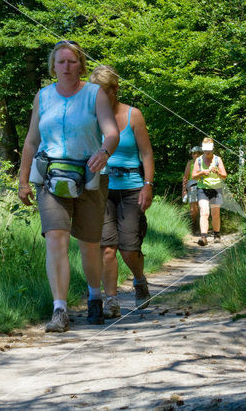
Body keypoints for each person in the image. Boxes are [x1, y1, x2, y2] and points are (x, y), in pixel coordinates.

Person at [18, 41, 120, 332]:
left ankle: (94, 297)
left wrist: (104, 152)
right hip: (51, 178)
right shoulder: (43, 97)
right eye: (61, 62)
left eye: (72, 62)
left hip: (89, 176)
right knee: (56, 239)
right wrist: (23, 180)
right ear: (53, 66)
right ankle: (59, 310)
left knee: (89, 243)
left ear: (81, 65)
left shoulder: (95, 95)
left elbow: (111, 131)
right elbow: (31, 140)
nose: (66, 67)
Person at [89, 65, 155, 319]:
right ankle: (112, 300)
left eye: (104, 92)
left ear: (115, 90)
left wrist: (147, 185)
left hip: (131, 188)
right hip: (101, 187)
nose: (99, 98)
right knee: (107, 248)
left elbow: (146, 153)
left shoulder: (133, 115)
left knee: (129, 248)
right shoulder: (90, 117)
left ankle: (139, 280)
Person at [192, 137, 227, 246]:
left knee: (215, 213)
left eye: (209, 150)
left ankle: (216, 235)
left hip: (216, 189)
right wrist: (202, 173)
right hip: (202, 189)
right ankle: (203, 237)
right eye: (205, 150)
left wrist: (217, 172)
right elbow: (193, 176)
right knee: (204, 212)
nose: (207, 152)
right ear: (203, 149)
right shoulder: (198, 160)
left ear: (212, 149)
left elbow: (224, 176)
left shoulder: (218, 159)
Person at [182, 146, 203, 235]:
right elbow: (185, 177)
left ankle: (203, 228)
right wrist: (184, 190)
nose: (194, 155)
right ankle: (194, 227)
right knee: (193, 209)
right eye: (193, 153)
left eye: (195, 153)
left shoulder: (204, 163)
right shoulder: (190, 163)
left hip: (203, 186)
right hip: (192, 186)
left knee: (203, 208)